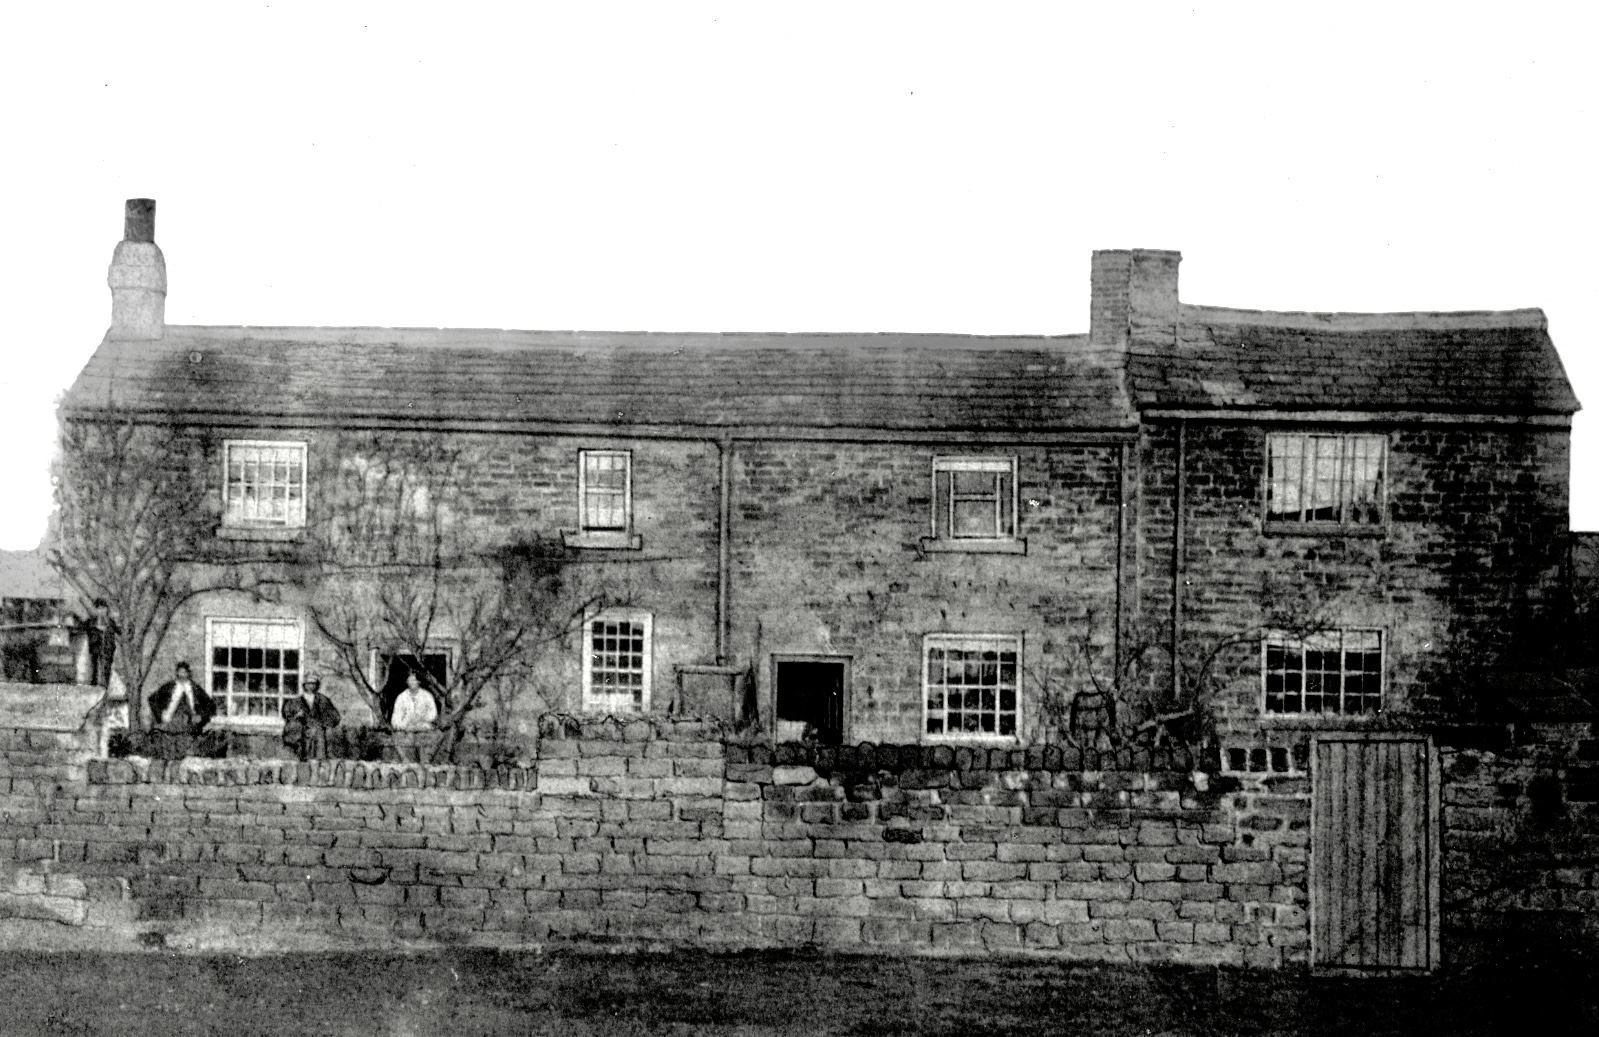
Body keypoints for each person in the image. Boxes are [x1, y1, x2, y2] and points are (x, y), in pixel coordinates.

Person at [147, 661, 216, 760]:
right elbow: (152, 699)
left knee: (187, 757)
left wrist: (201, 716)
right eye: (180, 672)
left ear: (188, 674)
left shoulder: (195, 688)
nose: (182, 675)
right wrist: (161, 714)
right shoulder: (169, 687)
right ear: (177, 673)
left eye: (184, 672)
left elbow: (211, 705)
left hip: (189, 730)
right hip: (169, 729)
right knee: (168, 757)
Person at [281, 673, 341, 761]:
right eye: (309, 683)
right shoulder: (295, 702)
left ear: (317, 685)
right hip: (301, 733)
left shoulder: (323, 700)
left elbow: (335, 717)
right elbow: (287, 715)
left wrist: (323, 722)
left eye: (314, 684)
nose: (311, 686)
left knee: (318, 756)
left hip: (318, 733)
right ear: (304, 685)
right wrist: (297, 716)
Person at [390, 671, 438, 763]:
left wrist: (422, 720)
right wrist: (405, 725)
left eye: (414, 680)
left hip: (423, 729)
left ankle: (425, 763)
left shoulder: (427, 696)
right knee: (402, 741)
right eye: (409, 680)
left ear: (419, 682)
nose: (411, 683)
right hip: (407, 731)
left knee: (428, 740)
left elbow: (433, 714)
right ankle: (407, 764)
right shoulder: (401, 697)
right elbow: (395, 720)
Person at [86, 599, 117, 688]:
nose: (102, 611)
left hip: (108, 648)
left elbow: (118, 631)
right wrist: (96, 629)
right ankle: (93, 685)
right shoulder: (91, 621)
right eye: (99, 609)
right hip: (96, 647)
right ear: (96, 610)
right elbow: (86, 628)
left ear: (107, 609)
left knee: (107, 667)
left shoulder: (111, 622)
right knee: (94, 667)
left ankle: (106, 685)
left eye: (103, 608)